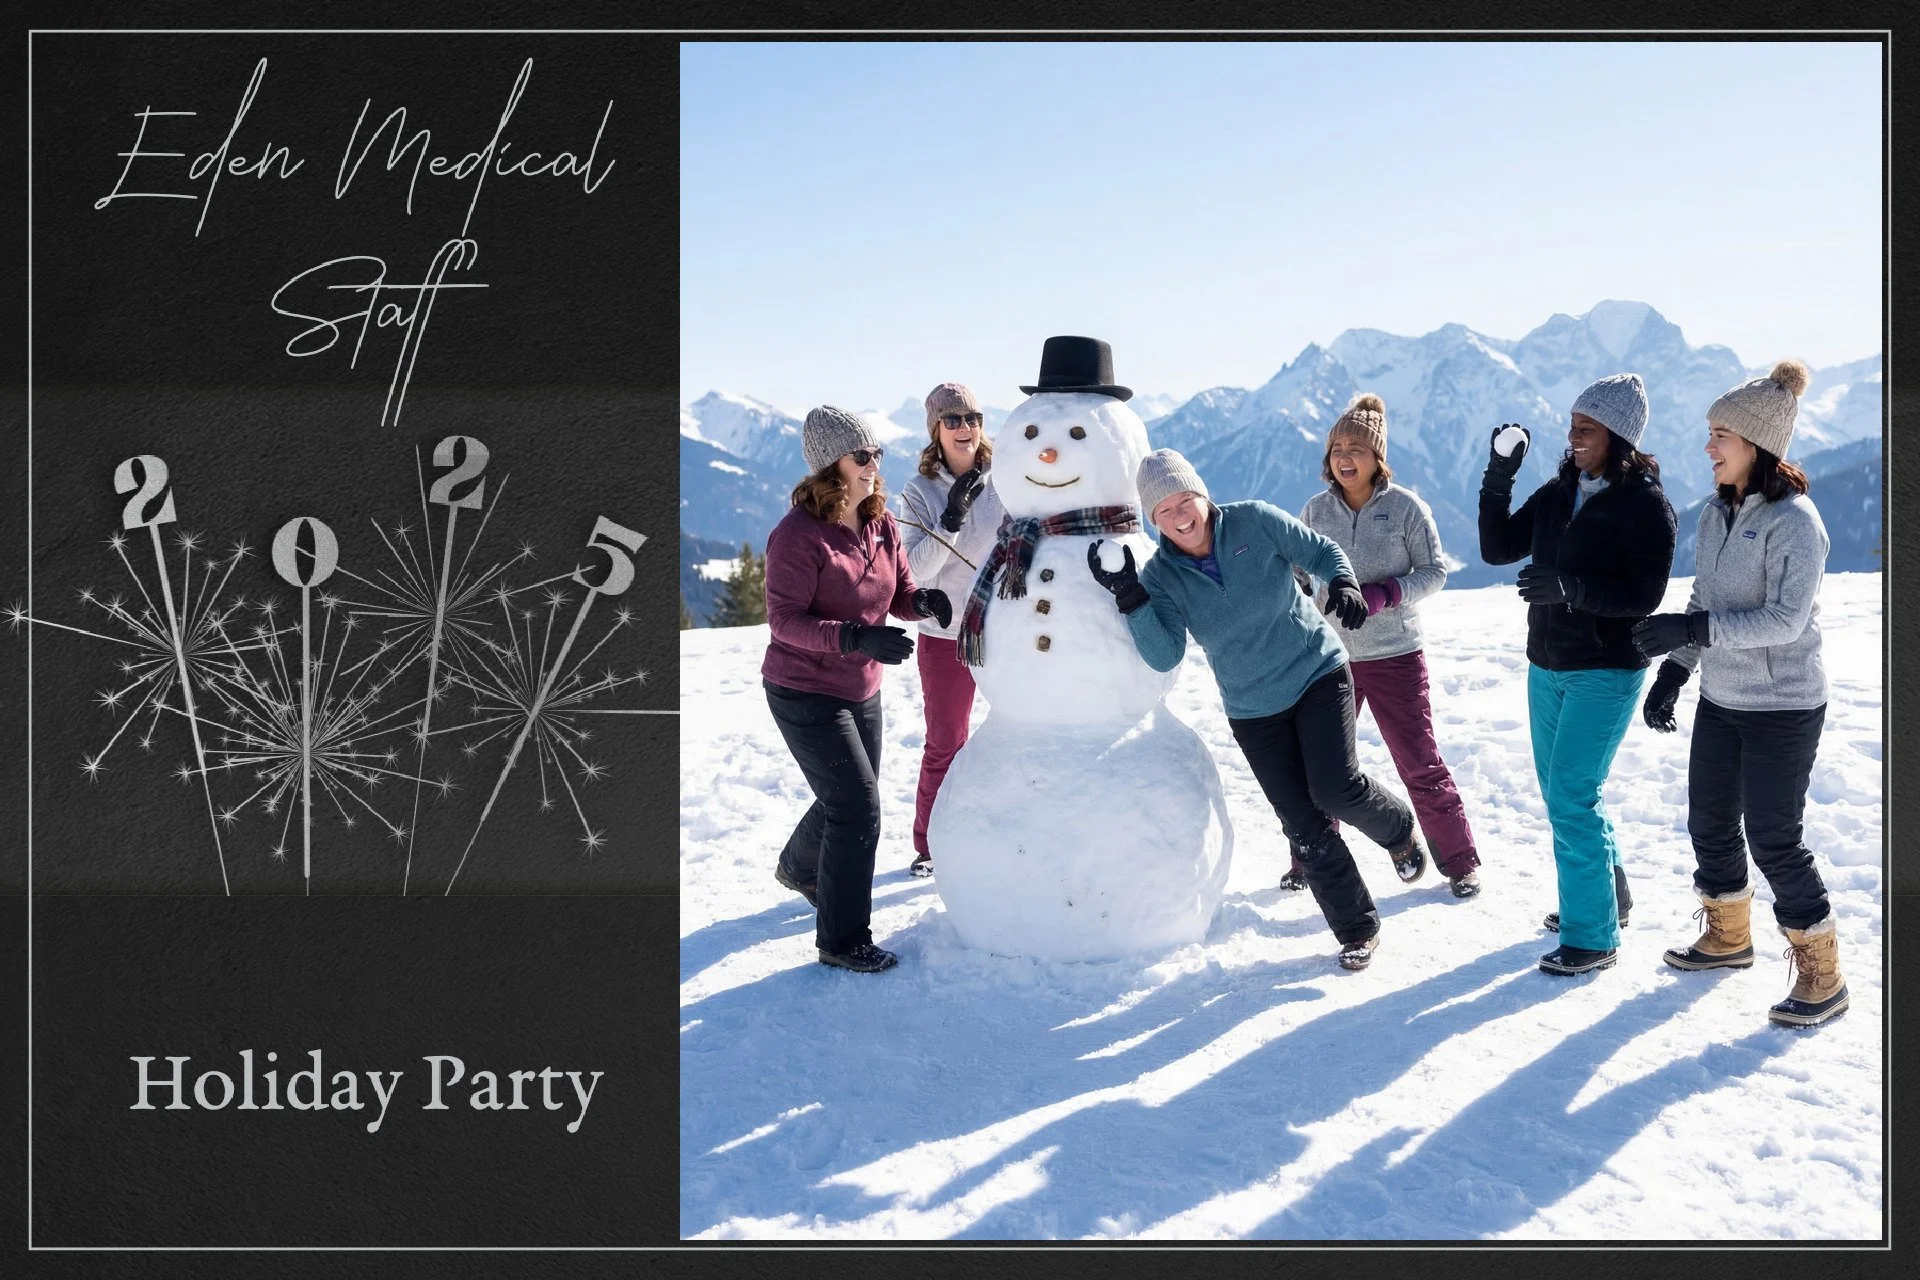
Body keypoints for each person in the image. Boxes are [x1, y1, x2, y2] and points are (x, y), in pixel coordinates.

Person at [1088, 448, 1428, 971]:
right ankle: (1358, 928)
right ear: (1153, 521)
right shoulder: (1161, 576)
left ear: (1203, 494)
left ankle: (1397, 828)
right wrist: (1131, 598)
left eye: (1185, 500)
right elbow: (1165, 655)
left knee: (1335, 787)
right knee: (1302, 822)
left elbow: (1323, 553)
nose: (1181, 516)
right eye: (1164, 511)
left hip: (1316, 671)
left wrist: (1342, 582)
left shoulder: (1254, 520)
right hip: (1252, 708)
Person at [1631, 360, 1848, 1027]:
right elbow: (1706, 599)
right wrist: (1676, 669)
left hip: (1784, 705)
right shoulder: (1715, 515)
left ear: (1756, 443)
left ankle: (1823, 971)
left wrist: (1692, 629)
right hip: (1724, 700)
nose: (1707, 447)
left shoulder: (1795, 522)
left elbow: (1784, 619)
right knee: (1709, 821)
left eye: (1720, 433)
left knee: (1775, 838)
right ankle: (1728, 937)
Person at [1480, 373, 1676, 977]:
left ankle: (1591, 937)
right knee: (1563, 793)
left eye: (1586, 429)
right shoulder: (1559, 491)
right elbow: (1495, 547)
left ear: (1618, 436)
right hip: (1548, 663)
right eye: (1571, 426)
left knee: (1570, 794)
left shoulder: (1647, 506)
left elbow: (1644, 595)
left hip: (1606, 669)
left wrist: (1570, 588)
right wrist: (1499, 475)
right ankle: (1606, 895)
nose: (1573, 437)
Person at [762, 405, 951, 973]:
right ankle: (842, 941)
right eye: (862, 456)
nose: (874, 465)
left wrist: (920, 604)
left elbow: (898, 590)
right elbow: (784, 621)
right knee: (858, 806)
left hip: (860, 686)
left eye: (877, 454)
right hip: (803, 690)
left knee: (846, 795)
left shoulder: (879, 521)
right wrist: (855, 638)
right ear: (830, 466)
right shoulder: (796, 537)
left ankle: (801, 867)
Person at [1293, 393, 1483, 899]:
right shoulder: (1315, 510)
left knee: (1418, 760)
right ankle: (1309, 857)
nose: (1345, 457)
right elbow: (1298, 569)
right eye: (1336, 447)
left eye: (1356, 447)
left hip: (1395, 655)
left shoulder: (1404, 508)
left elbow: (1435, 571)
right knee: (1321, 765)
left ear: (1378, 457)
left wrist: (1386, 593)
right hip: (1328, 658)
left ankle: (1459, 861)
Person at [895, 382, 1004, 878]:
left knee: (1023, 729)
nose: (965, 428)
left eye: (973, 418)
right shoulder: (918, 493)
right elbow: (917, 573)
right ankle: (929, 845)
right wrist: (952, 517)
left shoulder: (1005, 478)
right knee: (946, 740)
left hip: (1008, 629)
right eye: (953, 420)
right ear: (936, 430)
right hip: (946, 636)